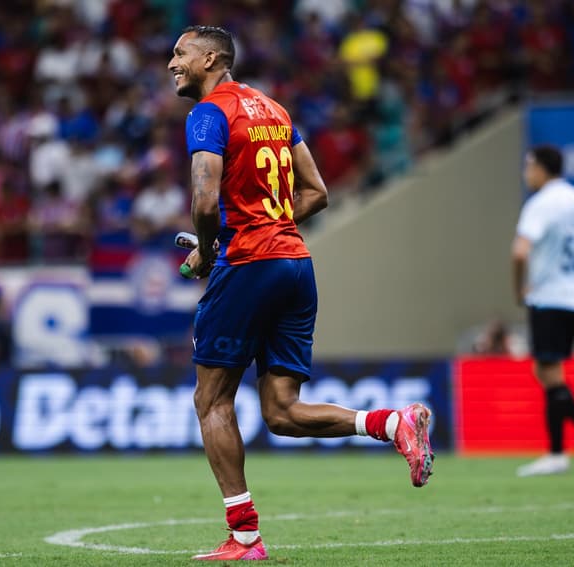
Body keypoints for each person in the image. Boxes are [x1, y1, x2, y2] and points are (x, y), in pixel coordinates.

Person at [169, 25, 434, 562]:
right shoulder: (274, 110)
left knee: (212, 399)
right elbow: (316, 192)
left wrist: (211, 246)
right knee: (282, 412)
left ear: (211, 58)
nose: (171, 63)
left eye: (180, 53)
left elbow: (204, 199)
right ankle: (390, 422)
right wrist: (255, 227)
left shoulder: (208, 113)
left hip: (248, 264)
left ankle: (244, 538)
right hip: (294, 264)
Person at [511, 145, 574, 477]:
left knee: (547, 372)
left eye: (529, 166)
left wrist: (519, 289)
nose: (526, 173)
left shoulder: (540, 204)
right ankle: (561, 450)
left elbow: (520, 252)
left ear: (541, 168)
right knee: (549, 371)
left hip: (548, 296)